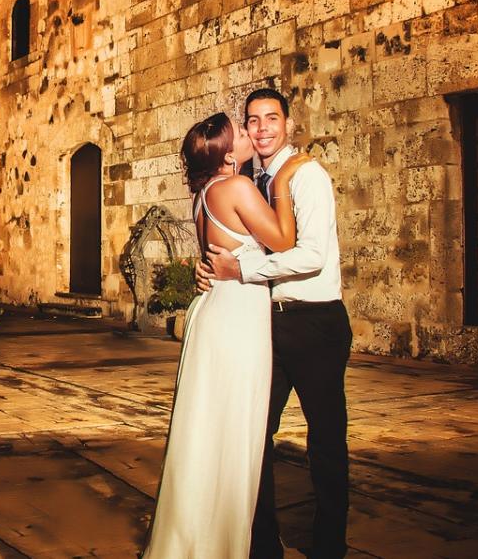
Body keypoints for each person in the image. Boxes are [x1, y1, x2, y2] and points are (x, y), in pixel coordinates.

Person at [144, 111, 310, 558]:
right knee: (235, 432)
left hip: (214, 313)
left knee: (208, 430)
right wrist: (283, 180)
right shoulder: (236, 187)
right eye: (238, 131)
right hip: (236, 319)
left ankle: (198, 538)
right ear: (226, 154)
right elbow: (284, 240)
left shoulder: (202, 195)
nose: (247, 132)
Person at [196, 88, 352, 559]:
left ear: (288, 123)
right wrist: (209, 266)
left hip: (315, 322)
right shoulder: (248, 179)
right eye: (253, 120)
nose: (262, 128)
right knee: (254, 434)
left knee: (325, 439)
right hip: (266, 324)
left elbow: (311, 255)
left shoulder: (307, 175)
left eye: (272, 118)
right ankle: (264, 545)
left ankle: (329, 547)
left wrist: (241, 270)